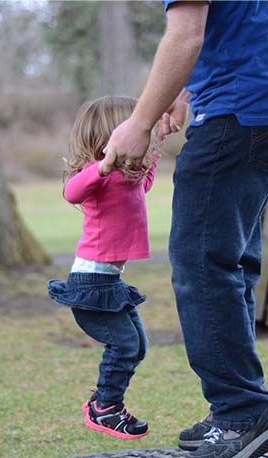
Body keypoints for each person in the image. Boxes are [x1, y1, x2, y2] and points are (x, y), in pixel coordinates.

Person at [101, 0, 268, 458]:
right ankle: (233, 411)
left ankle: (243, 412)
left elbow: (186, 35)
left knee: (201, 263)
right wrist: (185, 89)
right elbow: (225, 27)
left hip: (238, 110)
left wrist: (139, 122)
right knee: (229, 260)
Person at [47, 96, 161, 440]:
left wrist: (157, 144)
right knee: (125, 346)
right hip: (90, 284)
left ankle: (104, 402)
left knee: (138, 346)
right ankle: (106, 408)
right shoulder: (95, 177)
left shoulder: (126, 180)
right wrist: (103, 165)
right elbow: (70, 192)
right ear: (112, 136)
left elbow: (145, 184)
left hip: (109, 283)